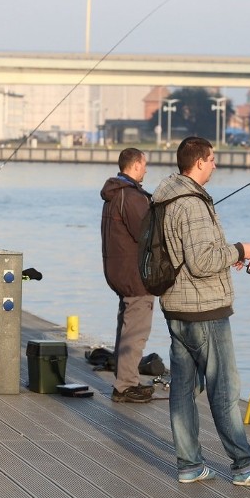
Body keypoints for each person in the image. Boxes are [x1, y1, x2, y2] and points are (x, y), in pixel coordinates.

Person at [152, 136, 250, 488]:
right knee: (224, 387)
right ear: (197, 163)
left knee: (182, 388)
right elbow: (202, 261)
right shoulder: (192, 204)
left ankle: (190, 465)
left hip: (175, 305)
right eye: (212, 159)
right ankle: (244, 465)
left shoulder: (165, 196)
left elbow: (194, 254)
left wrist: (231, 257)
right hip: (203, 310)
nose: (215, 164)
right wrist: (241, 250)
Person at [100, 148, 155, 403]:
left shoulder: (114, 192)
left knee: (127, 322)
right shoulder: (131, 196)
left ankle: (127, 379)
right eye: (144, 165)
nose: (146, 169)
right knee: (136, 327)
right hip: (133, 273)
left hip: (116, 270)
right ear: (135, 165)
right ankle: (125, 386)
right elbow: (147, 236)